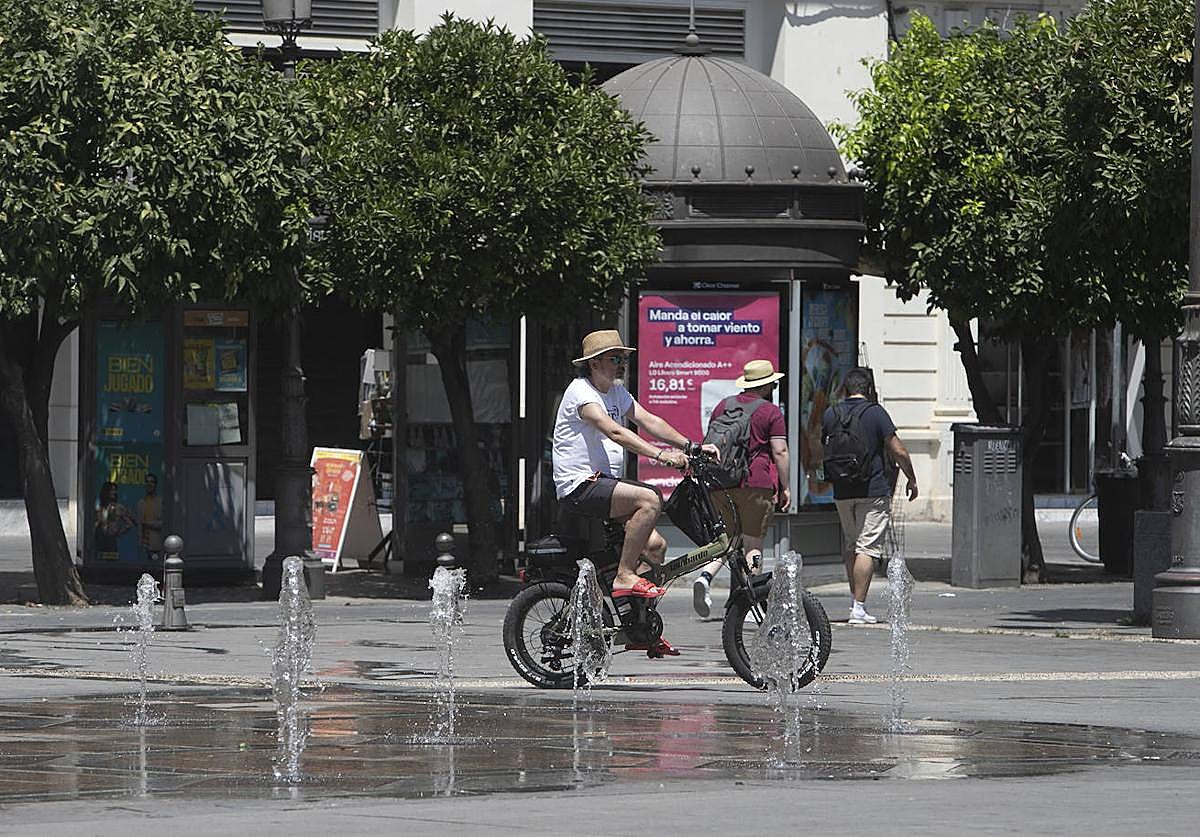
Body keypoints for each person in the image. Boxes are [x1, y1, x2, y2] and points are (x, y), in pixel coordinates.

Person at [552, 329, 719, 654]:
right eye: (616, 358)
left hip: (603, 486)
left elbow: (648, 420)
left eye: (624, 358)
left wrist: (690, 446)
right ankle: (625, 575)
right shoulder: (581, 393)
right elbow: (614, 430)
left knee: (656, 547)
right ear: (595, 362)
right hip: (579, 485)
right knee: (649, 498)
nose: (622, 364)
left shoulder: (616, 392)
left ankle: (638, 629)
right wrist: (661, 455)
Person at [692, 359, 790, 618]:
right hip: (755, 484)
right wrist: (786, 486)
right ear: (767, 385)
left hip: (721, 484)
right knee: (753, 545)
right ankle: (750, 604)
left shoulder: (723, 406)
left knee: (728, 540)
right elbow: (780, 451)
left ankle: (705, 576)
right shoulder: (770, 412)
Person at [821, 367, 917, 624]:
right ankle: (858, 607)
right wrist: (911, 477)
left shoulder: (831, 413)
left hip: (842, 491)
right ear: (868, 389)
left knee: (852, 544)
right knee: (868, 547)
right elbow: (898, 450)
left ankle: (855, 602)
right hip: (872, 490)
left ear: (845, 389)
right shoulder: (875, 413)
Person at [95, 481, 136, 559]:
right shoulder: (100, 507)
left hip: (111, 541)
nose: (114, 492)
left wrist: (118, 532)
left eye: (115, 490)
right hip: (99, 539)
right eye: (111, 490)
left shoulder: (118, 508)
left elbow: (130, 523)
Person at [137, 473, 164, 562]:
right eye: (147, 482)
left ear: (156, 484)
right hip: (143, 546)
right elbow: (139, 524)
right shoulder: (141, 503)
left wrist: (148, 523)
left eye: (152, 482)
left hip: (156, 545)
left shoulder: (160, 502)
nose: (149, 484)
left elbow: (163, 523)